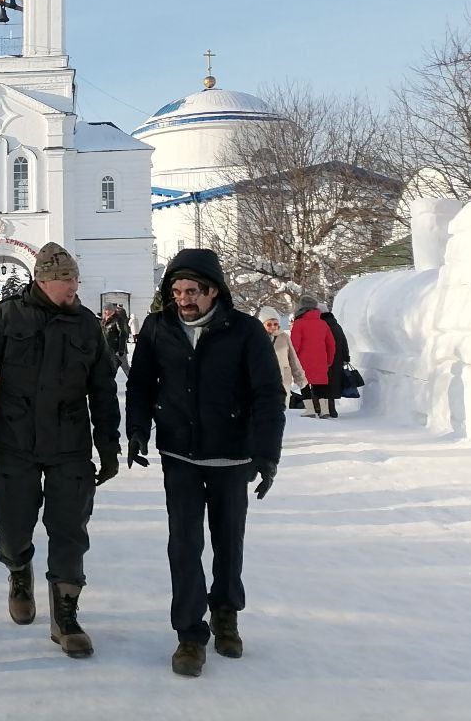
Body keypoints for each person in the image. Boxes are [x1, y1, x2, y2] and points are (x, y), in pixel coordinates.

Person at [124, 248, 285, 678]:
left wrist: (267, 454)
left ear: (213, 291)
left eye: (191, 291)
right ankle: (190, 635)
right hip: (179, 453)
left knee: (228, 540)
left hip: (231, 454)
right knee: (184, 543)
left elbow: (269, 394)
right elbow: (140, 384)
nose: (183, 299)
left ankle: (226, 613)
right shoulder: (158, 328)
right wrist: (137, 429)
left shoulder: (245, 331)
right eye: (176, 291)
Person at [0, 242, 120, 659]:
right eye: (66, 279)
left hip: (70, 444)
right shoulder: (6, 317)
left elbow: (103, 388)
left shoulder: (87, 326)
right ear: (44, 281)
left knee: (70, 529)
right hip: (15, 441)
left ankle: (65, 616)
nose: (74, 286)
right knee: (14, 525)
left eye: (75, 278)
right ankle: (18, 571)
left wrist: (108, 444)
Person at [290, 296, 336, 419]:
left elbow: (294, 345)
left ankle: (310, 410)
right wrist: (329, 360)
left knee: (304, 384)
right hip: (321, 361)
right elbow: (331, 345)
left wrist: (292, 360)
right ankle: (324, 411)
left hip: (303, 361)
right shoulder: (323, 324)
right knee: (321, 385)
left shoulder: (299, 323)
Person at [256, 307, 307, 410]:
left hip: (283, 380)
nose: (273, 327)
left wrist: (301, 379)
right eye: (269, 324)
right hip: (262, 381)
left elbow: (293, 359)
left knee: (282, 409)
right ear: (262, 324)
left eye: (275, 324)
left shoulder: (284, 337)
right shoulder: (256, 339)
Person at [318, 302, 351, 419]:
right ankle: (332, 409)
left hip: (325, 359)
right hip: (338, 359)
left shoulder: (321, 326)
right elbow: (344, 342)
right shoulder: (336, 325)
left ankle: (324, 409)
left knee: (321, 384)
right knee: (332, 384)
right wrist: (346, 357)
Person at [100, 302, 130, 372]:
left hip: (117, 350)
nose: (104, 312)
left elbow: (123, 333)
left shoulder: (117, 319)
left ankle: (135, 379)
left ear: (111, 310)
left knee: (126, 368)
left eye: (106, 310)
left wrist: (121, 350)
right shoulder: (104, 321)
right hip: (108, 350)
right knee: (108, 370)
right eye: (104, 310)